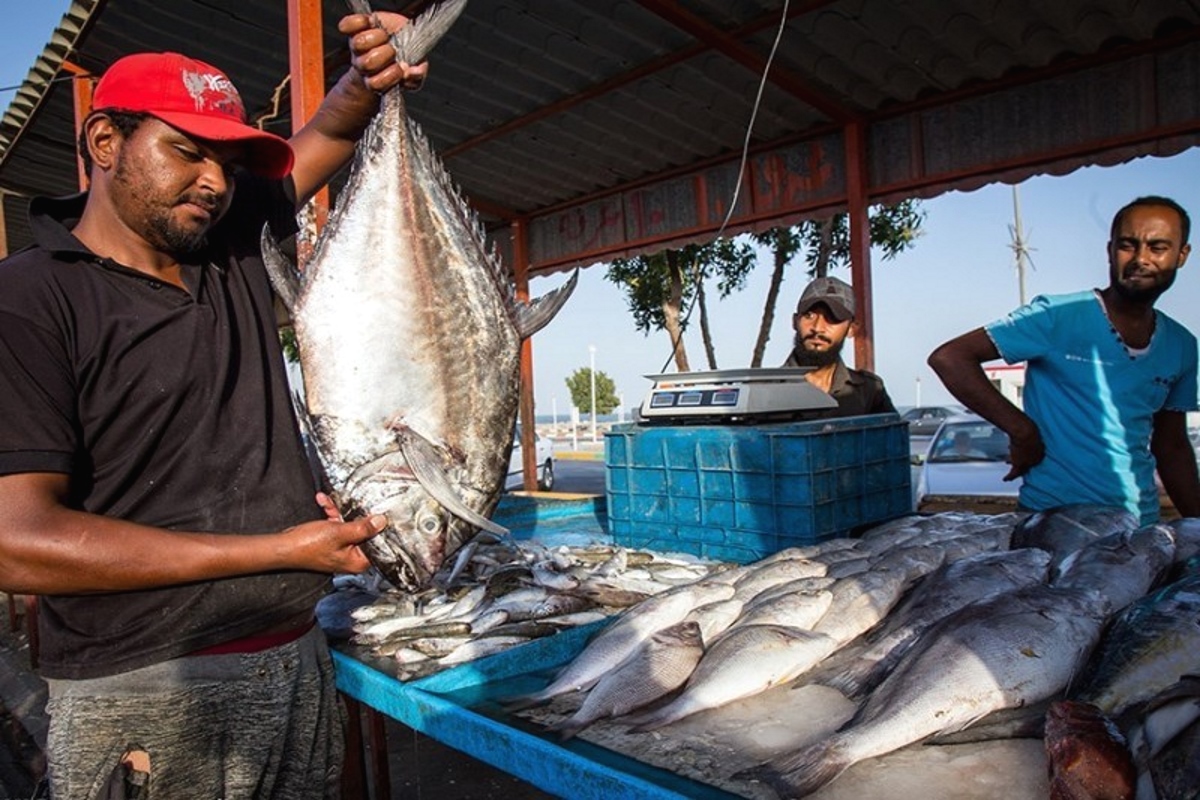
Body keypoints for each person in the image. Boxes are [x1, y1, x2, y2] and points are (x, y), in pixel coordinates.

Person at [0, 11, 427, 799]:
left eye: (227, 162)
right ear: (103, 144)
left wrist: (370, 77)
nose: (213, 182)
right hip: (144, 692)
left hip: (293, 661)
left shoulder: (221, 244)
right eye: (185, 151)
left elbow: (320, 139)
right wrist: (277, 550)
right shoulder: (28, 300)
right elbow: (16, 544)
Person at [928, 195, 1200, 525]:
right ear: (1110, 250)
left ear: (1181, 255)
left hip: (1139, 526)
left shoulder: (1182, 345)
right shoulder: (1058, 316)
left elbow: (1171, 446)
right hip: (1054, 522)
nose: (1141, 258)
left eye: (1158, 247)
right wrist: (1022, 430)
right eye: (1128, 245)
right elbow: (951, 358)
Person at [784, 275, 896, 416]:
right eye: (809, 316)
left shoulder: (869, 392)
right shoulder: (764, 392)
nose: (818, 328)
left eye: (832, 318)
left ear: (851, 329)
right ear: (795, 322)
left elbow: (893, 436)